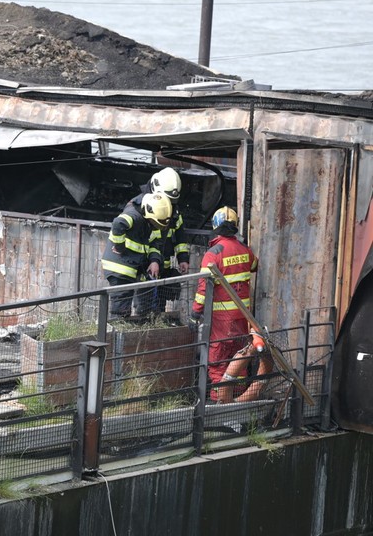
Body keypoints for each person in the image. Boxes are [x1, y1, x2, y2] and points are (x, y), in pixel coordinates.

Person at [190, 206, 259, 391]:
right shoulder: (246, 250)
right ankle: (237, 405)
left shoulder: (213, 253)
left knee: (218, 363)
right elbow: (254, 265)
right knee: (239, 361)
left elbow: (203, 289)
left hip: (222, 321)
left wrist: (195, 314)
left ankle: (219, 406)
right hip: (242, 318)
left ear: (215, 225)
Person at [100, 191, 172, 319]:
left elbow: (154, 244)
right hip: (120, 268)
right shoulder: (134, 216)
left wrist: (154, 260)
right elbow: (118, 224)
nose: (157, 227)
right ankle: (115, 334)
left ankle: (123, 330)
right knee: (120, 308)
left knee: (130, 305)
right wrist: (120, 247)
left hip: (132, 266)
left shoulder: (150, 222)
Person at [140, 167, 190, 313]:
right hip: (147, 268)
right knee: (144, 306)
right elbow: (147, 239)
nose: (169, 203)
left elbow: (180, 235)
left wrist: (183, 258)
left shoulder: (174, 211)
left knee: (160, 307)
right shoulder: (145, 206)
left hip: (163, 267)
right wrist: (153, 261)